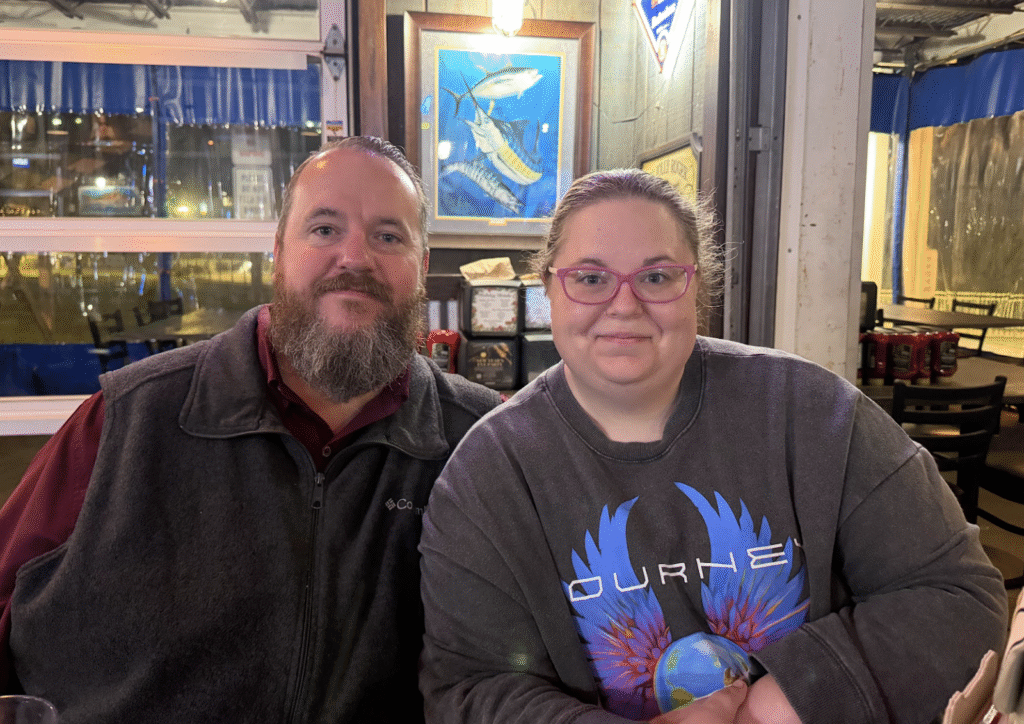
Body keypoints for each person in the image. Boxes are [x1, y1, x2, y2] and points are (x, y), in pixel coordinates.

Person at [418, 168, 1008, 724]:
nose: (624, 305)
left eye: (656, 277)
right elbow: (470, 688)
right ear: (549, 288)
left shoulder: (817, 414)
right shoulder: (486, 476)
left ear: (696, 286)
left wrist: (776, 703)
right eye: (591, 278)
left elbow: (959, 599)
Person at [0, 136, 502, 723]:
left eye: (388, 237)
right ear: (278, 253)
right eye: (324, 230)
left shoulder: (480, 444)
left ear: (422, 268)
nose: (355, 258)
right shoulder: (126, 419)